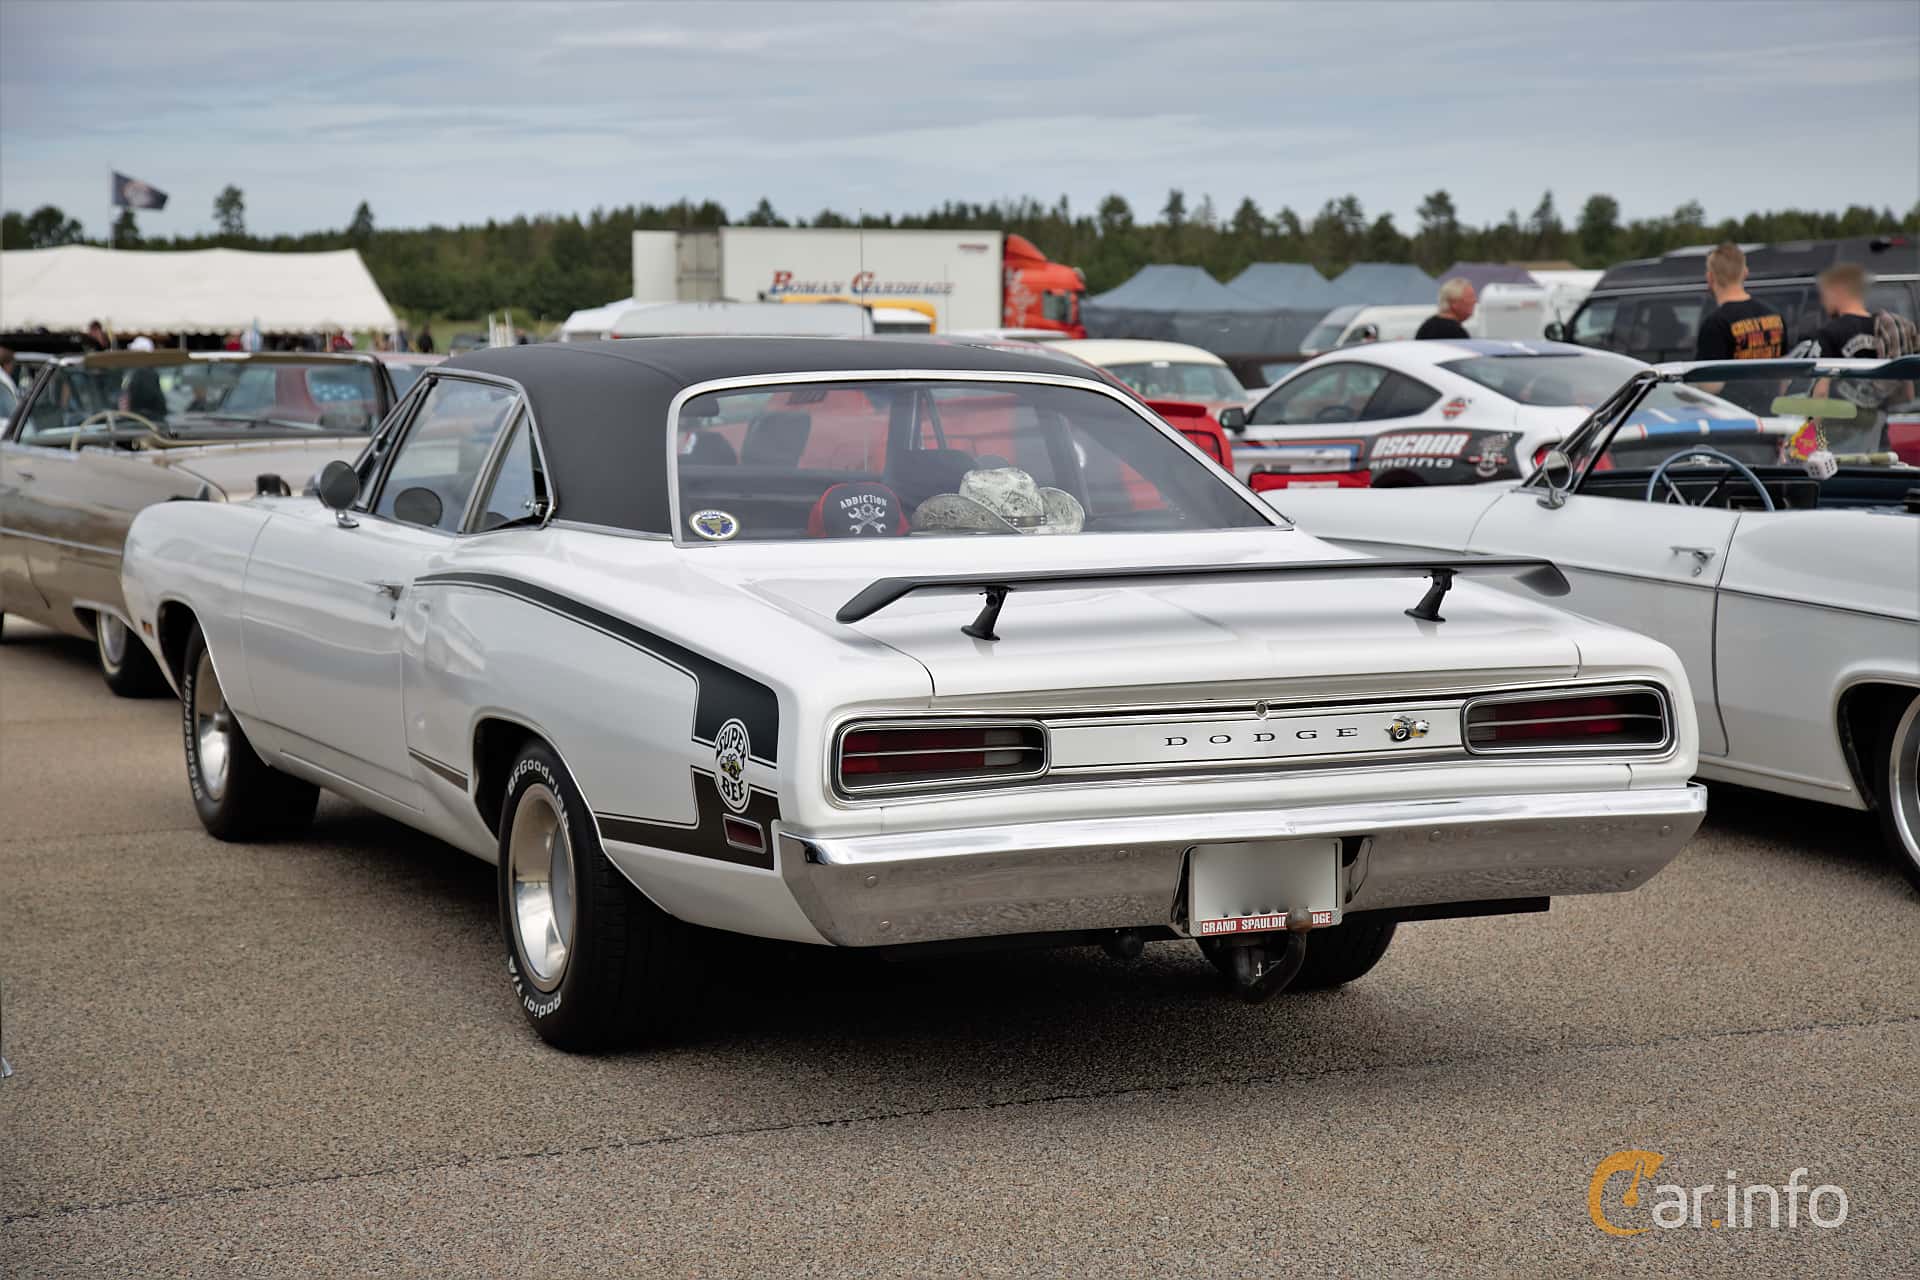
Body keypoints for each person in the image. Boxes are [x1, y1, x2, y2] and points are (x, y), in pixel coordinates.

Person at [1693, 243, 1785, 361]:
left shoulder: (1715, 324)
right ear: (1745, 273)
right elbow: (1784, 375)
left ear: (1710, 277)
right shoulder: (1775, 317)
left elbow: (1709, 378)